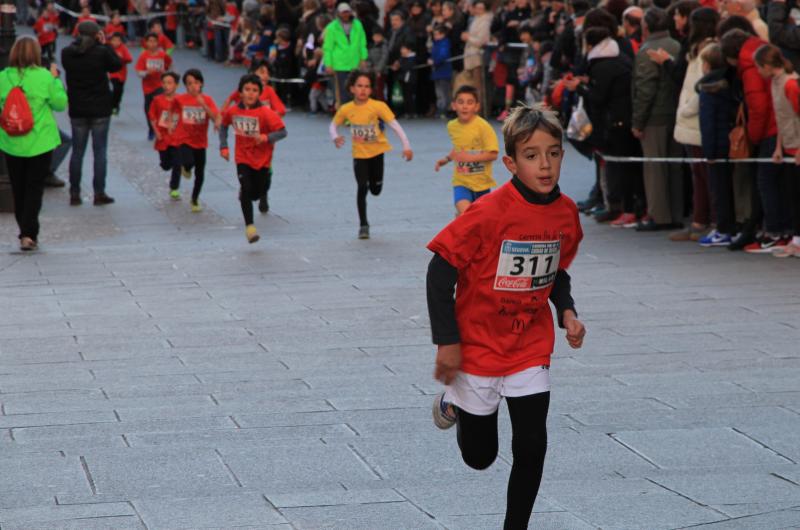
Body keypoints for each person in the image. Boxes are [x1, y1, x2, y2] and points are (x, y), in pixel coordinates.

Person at [426, 103, 585, 530]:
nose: (545, 165)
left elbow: (556, 269)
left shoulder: (566, 213)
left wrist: (566, 310)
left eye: (553, 153)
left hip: (529, 345)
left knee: (532, 446)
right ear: (511, 163)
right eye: (532, 156)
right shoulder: (488, 212)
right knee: (480, 457)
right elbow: (439, 272)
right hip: (478, 345)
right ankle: (455, 404)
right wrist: (447, 342)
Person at [0, 36, 67, 250]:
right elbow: (60, 104)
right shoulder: (44, 76)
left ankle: (25, 231)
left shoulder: (3, 77)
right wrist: (55, 80)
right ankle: (29, 232)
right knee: (34, 187)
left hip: (11, 141)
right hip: (40, 140)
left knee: (18, 187)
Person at [330, 71, 413, 239]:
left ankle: (376, 184)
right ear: (352, 88)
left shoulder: (378, 106)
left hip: (377, 153)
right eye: (359, 86)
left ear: (371, 89)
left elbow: (395, 125)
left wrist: (406, 146)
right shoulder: (346, 109)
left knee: (375, 190)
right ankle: (363, 225)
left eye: (367, 86)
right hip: (359, 155)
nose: (363, 90)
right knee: (362, 187)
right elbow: (333, 125)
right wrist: (335, 137)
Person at [631, 8, 683, 231]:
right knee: (674, 167)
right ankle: (676, 212)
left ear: (646, 26)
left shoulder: (647, 50)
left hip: (655, 116)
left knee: (655, 168)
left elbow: (645, 90)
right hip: (675, 112)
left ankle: (659, 215)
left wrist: (638, 122)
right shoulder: (677, 45)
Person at [220, 74, 288, 243]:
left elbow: (282, 132)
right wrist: (224, 146)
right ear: (240, 92)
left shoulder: (266, 113)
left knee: (258, 192)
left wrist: (266, 137)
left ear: (259, 93)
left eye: (255, 90)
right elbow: (224, 125)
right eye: (247, 89)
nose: (250, 93)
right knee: (246, 189)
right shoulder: (233, 111)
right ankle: (250, 227)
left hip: (262, 160)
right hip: (242, 157)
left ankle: (264, 186)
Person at [61, 20, 123, 206]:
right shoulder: (101, 52)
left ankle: (74, 193)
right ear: (96, 34)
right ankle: (99, 193)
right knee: (100, 151)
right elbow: (117, 65)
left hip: (78, 109)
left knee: (77, 152)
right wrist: (105, 44)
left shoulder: (67, 53)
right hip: (100, 108)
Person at [754, 44, 796, 253]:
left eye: (758, 67)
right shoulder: (775, 83)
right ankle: (795, 238)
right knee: (791, 194)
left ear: (767, 65)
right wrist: (778, 147)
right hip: (788, 144)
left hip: (796, 145)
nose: (758, 71)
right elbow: (782, 118)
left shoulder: (790, 84)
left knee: (796, 194)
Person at [435, 85, 499, 216]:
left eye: (469, 103)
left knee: (479, 219)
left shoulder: (483, 127)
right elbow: (459, 148)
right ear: (454, 105)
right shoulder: (452, 126)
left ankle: (461, 220)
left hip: (482, 183)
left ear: (477, 106)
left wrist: (470, 158)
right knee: (466, 213)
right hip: (461, 181)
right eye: (461, 102)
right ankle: (462, 217)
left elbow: (493, 154)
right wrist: (447, 159)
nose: (465, 106)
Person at [697, 43, 738, 248]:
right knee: (730, 187)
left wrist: (709, 152)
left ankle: (724, 228)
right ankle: (731, 226)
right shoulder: (730, 84)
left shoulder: (709, 89)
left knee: (719, 189)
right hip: (730, 141)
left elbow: (708, 123)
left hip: (717, 145)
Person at [170, 69, 220, 212]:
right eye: (189, 83)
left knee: (200, 173)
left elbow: (215, 117)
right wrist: (171, 124)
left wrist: (204, 105)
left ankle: (195, 198)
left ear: (201, 84)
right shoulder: (180, 99)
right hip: (184, 138)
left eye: (196, 83)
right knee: (188, 161)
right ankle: (186, 168)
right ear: (186, 86)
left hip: (200, 141)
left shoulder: (207, 99)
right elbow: (172, 110)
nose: (193, 86)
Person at [323, 3, 368, 108]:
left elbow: (362, 43)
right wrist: (328, 64)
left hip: (355, 63)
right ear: (338, 13)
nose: (346, 14)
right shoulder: (332, 27)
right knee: (342, 93)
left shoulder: (358, 25)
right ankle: (345, 113)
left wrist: (363, 58)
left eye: (347, 12)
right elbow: (328, 48)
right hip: (339, 65)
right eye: (343, 12)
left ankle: (355, 112)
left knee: (355, 90)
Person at [148, 72, 181, 200]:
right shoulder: (157, 100)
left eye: (170, 83)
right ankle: (168, 163)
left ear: (176, 85)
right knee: (166, 165)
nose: (166, 86)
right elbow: (152, 117)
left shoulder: (180, 100)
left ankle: (174, 187)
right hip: (162, 138)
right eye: (164, 83)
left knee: (177, 163)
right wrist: (156, 131)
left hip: (176, 137)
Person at [136, 32, 173, 141]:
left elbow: (169, 65)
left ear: (158, 43)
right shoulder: (144, 56)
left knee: (162, 106)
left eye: (154, 41)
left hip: (160, 85)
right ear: (146, 43)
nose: (152, 44)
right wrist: (147, 72)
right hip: (148, 88)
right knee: (149, 110)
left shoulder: (162, 55)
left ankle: (163, 128)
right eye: (150, 41)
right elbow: (139, 72)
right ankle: (151, 129)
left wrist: (167, 73)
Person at [429, 24, 453, 119]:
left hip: (444, 72)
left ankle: (445, 110)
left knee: (444, 92)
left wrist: (434, 61)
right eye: (434, 34)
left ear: (443, 34)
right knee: (438, 92)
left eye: (437, 34)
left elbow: (443, 55)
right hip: (437, 72)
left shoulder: (445, 43)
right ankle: (440, 109)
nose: (435, 36)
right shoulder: (436, 43)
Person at [108, 32, 133, 116]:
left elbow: (129, 59)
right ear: (111, 41)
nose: (116, 42)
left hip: (122, 74)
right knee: (116, 88)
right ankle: (113, 106)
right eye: (114, 40)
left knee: (119, 91)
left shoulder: (123, 48)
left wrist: (121, 59)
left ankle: (116, 104)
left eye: (118, 40)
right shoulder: (109, 48)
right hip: (113, 73)